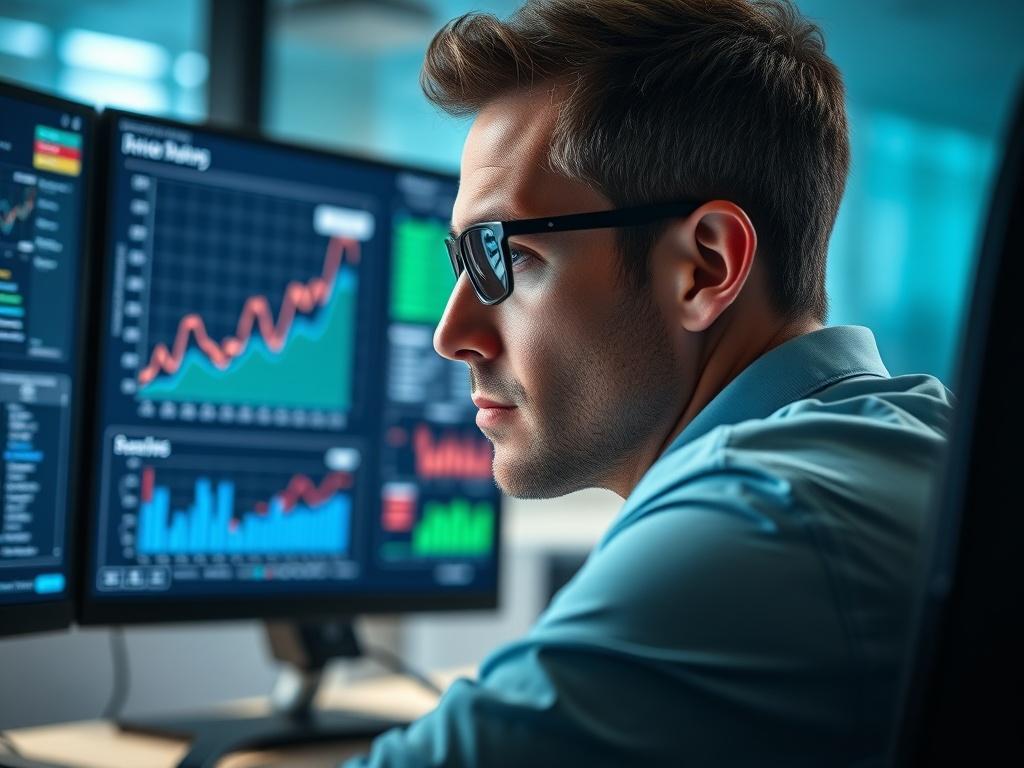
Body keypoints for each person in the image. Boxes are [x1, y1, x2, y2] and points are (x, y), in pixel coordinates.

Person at [346, 1, 955, 765]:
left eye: (508, 256)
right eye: (462, 261)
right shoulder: (917, 435)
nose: (451, 334)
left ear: (704, 266)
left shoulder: (763, 520)